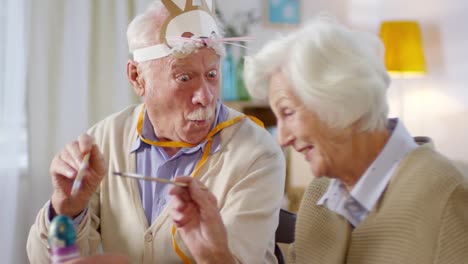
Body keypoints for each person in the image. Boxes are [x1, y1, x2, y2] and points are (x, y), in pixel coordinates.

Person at [168, 16, 468, 263]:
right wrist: (215, 255)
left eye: (288, 113)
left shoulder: (446, 196)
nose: (282, 138)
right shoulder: (321, 195)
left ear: (341, 100)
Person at [26, 1, 285, 263]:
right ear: (137, 77)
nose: (205, 97)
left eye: (211, 74)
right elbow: (41, 258)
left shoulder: (257, 153)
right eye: (184, 77)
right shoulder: (106, 139)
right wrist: (66, 210)